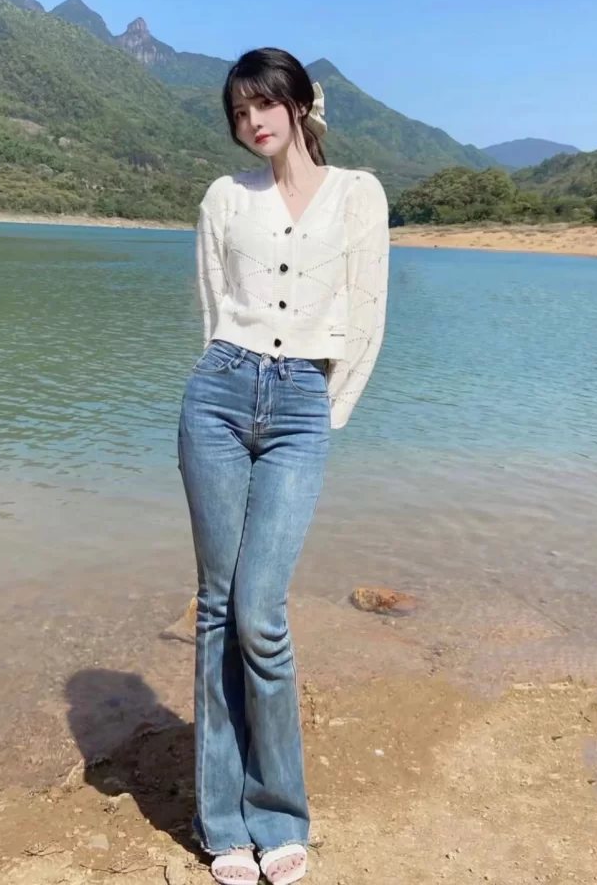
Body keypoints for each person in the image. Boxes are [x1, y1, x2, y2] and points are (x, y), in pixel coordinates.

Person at [177, 48, 390, 885]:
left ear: (299, 104)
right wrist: (227, 378)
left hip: (303, 402)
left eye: (264, 103)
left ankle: (278, 814)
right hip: (219, 396)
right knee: (216, 608)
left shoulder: (359, 194)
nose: (252, 121)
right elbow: (211, 307)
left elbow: (367, 315)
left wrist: (322, 414)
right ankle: (224, 823)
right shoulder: (225, 198)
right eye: (239, 111)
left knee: (260, 611)